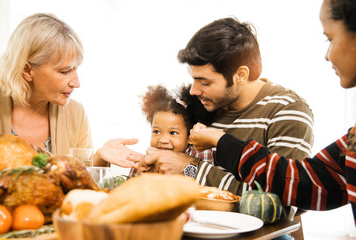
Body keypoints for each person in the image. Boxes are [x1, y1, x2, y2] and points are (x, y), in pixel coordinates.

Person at [137, 17, 314, 239]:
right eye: (193, 79)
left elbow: (275, 205)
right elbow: (189, 173)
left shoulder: (287, 110)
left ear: (240, 75)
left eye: (205, 82)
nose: (193, 90)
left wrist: (191, 166)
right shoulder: (204, 106)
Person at [189, 0, 356, 227]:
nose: (327, 55)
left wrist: (190, 166)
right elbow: (302, 182)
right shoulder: (351, 143)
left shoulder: (287, 108)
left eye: (330, 39)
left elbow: (279, 203)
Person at [0, 13, 92, 156]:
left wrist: (100, 160)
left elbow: (82, 174)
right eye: (65, 71)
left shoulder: (76, 114)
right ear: (27, 70)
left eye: (76, 69)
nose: (76, 83)